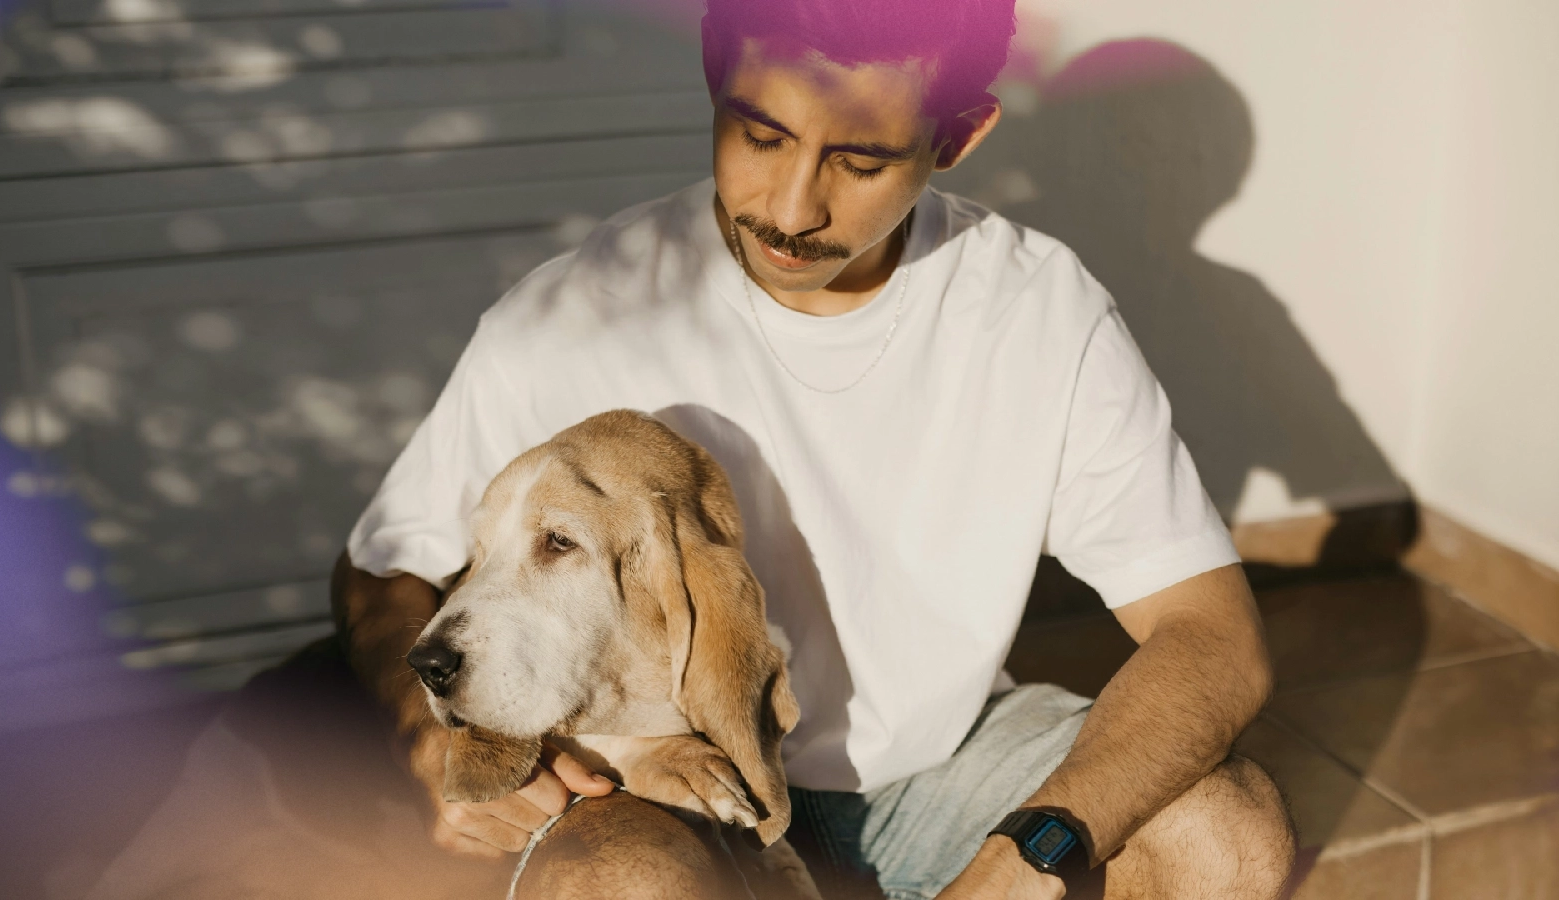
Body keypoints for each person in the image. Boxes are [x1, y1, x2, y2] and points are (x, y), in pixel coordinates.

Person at [333, 1, 1296, 897]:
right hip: (659, 775)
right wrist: (428, 744)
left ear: (956, 137)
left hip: (939, 766)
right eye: (761, 136)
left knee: (1228, 833)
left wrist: (1030, 856)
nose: (792, 210)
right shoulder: (574, 314)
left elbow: (1212, 637)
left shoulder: (1038, 312)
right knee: (614, 883)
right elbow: (383, 570)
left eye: (863, 160)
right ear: (715, 81)